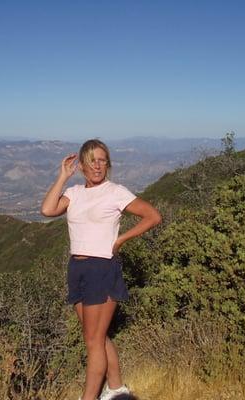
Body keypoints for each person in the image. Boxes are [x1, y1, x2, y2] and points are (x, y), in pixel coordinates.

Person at [41, 139, 161, 400]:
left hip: (101, 268)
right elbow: (48, 209)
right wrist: (62, 176)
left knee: (93, 342)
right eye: (92, 160)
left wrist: (121, 240)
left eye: (102, 160)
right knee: (96, 336)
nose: (98, 165)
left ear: (108, 164)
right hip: (78, 269)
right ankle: (117, 389)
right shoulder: (74, 193)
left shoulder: (115, 192)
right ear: (82, 165)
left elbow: (153, 215)